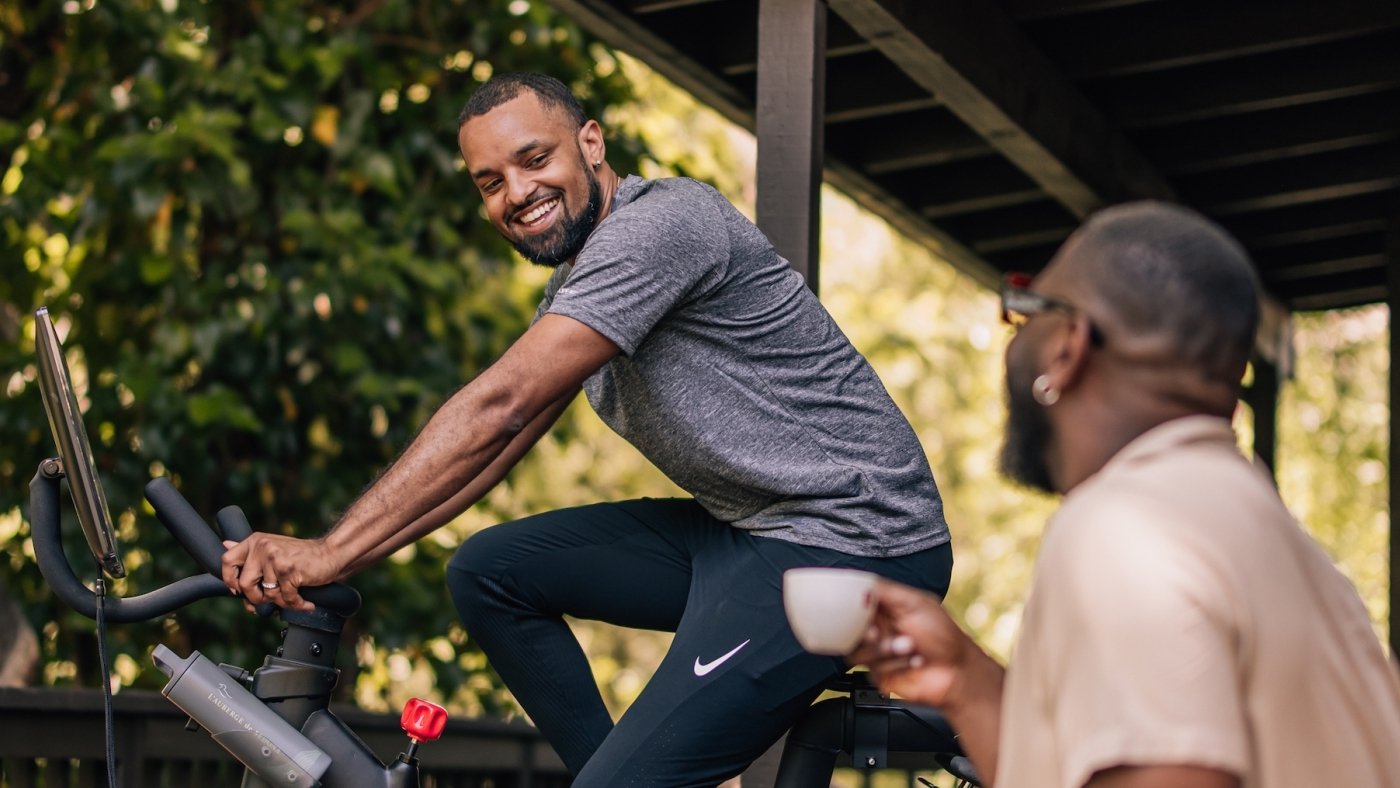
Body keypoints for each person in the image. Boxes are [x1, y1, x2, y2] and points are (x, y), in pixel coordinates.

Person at [220, 71, 954, 786]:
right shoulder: (576, 287)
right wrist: (340, 560)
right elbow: (503, 442)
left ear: (591, 144)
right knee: (489, 573)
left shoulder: (662, 225)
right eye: (490, 181)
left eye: (535, 159)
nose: (517, 193)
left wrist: (326, 549)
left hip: (855, 541)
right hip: (752, 531)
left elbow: (496, 407)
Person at [851, 201, 1400, 788]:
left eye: (1024, 312)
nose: (1012, 341)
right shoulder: (1292, 553)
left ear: (1068, 346)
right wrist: (965, 679)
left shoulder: (1119, 529)